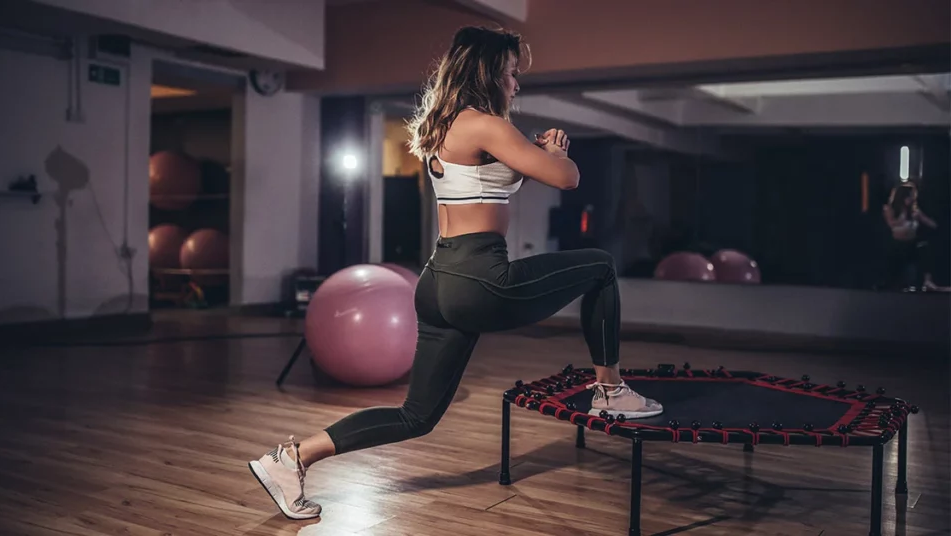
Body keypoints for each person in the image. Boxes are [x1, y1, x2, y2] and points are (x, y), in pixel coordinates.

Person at [247, 25, 663, 520]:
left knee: (416, 416)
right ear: (488, 73)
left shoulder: (446, 125)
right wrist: (552, 155)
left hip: (439, 280)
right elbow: (568, 178)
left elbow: (489, 192)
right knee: (600, 265)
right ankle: (611, 391)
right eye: (510, 73)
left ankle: (292, 458)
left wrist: (531, 158)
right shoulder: (486, 124)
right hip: (479, 275)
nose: (515, 84)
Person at [882, 181, 938, 290]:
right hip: (896, 244)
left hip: (911, 244)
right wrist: (903, 212)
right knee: (895, 253)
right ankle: (892, 281)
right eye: (910, 196)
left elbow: (932, 224)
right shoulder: (889, 209)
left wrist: (921, 217)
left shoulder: (914, 212)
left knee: (924, 248)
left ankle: (928, 281)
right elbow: (892, 224)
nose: (913, 198)